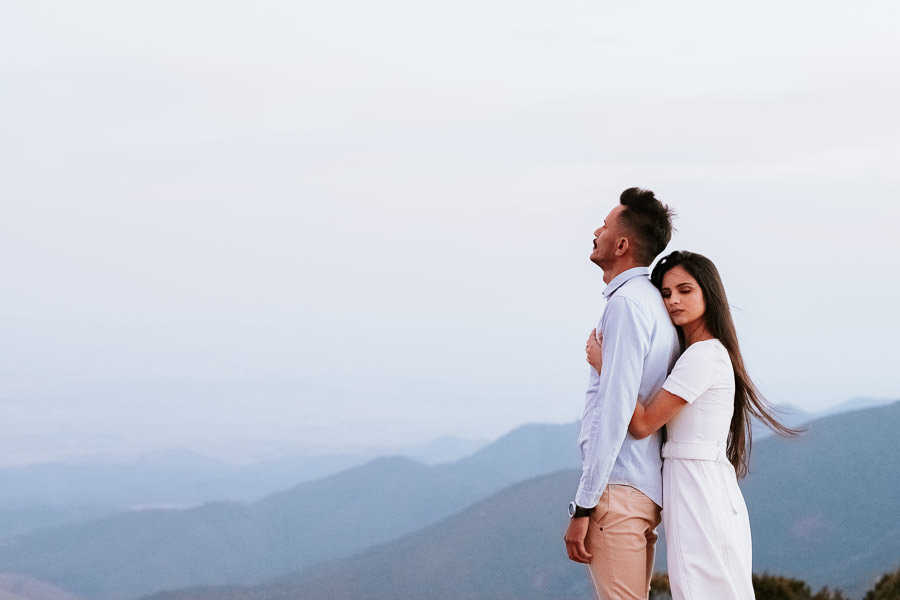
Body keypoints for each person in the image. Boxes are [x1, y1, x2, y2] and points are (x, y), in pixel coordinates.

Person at [585, 250, 797, 600]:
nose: (673, 301)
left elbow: (642, 425)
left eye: (685, 290)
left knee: (704, 587)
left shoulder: (703, 356)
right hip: (696, 482)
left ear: (708, 293)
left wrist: (607, 366)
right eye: (666, 293)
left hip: (696, 486)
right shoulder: (703, 354)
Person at [564, 188, 680, 600]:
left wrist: (584, 505)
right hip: (639, 489)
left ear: (622, 244)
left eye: (606, 225)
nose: (596, 231)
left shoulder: (627, 305)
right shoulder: (649, 301)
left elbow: (614, 413)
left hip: (619, 492)